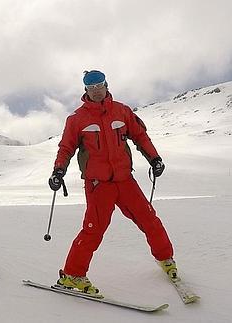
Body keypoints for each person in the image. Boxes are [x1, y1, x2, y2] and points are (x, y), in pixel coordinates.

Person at [48, 70, 176, 295]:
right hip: (98, 184)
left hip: (125, 180)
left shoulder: (122, 111)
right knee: (93, 230)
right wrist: (58, 171)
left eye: (99, 85)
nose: (96, 90)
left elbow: (140, 136)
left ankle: (166, 259)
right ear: (85, 90)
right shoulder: (77, 119)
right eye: (91, 87)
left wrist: (154, 158)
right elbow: (66, 148)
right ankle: (72, 275)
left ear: (106, 85)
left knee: (149, 219)